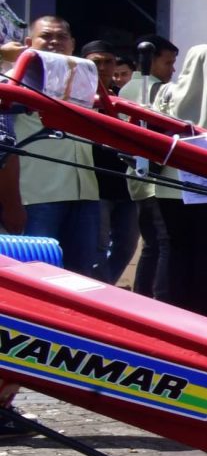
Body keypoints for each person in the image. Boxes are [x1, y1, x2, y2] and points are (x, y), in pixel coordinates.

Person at [4, 14, 103, 279]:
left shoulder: (85, 79)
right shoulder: (11, 80)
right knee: (37, 277)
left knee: (81, 277)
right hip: (37, 197)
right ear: (28, 42)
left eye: (62, 37)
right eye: (46, 36)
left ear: (72, 44)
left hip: (85, 194)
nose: (55, 42)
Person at [149, 44, 207, 315]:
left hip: (168, 186)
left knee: (171, 248)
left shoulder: (165, 93)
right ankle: (200, 310)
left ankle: (166, 309)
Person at [80, 40, 138, 284]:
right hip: (95, 187)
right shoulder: (77, 97)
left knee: (126, 246)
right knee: (98, 248)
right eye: (96, 62)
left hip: (126, 187)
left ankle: (108, 288)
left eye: (108, 62)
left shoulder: (124, 99)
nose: (102, 67)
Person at [124, 39, 177, 298]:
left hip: (137, 177)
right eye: (168, 62)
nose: (172, 69)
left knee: (151, 244)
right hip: (152, 179)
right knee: (162, 243)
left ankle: (142, 294)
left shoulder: (126, 89)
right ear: (150, 60)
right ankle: (155, 297)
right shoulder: (156, 91)